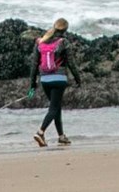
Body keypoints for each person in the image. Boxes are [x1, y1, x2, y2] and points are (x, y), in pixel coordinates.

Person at [29, 17, 81, 146]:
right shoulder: (64, 42)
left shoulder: (40, 42)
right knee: (53, 108)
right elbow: (71, 63)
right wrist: (77, 78)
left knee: (56, 107)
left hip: (45, 80)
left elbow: (34, 64)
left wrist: (32, 83)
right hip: (59, 79)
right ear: (65, 30)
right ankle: (40, 132)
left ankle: (61, 136)